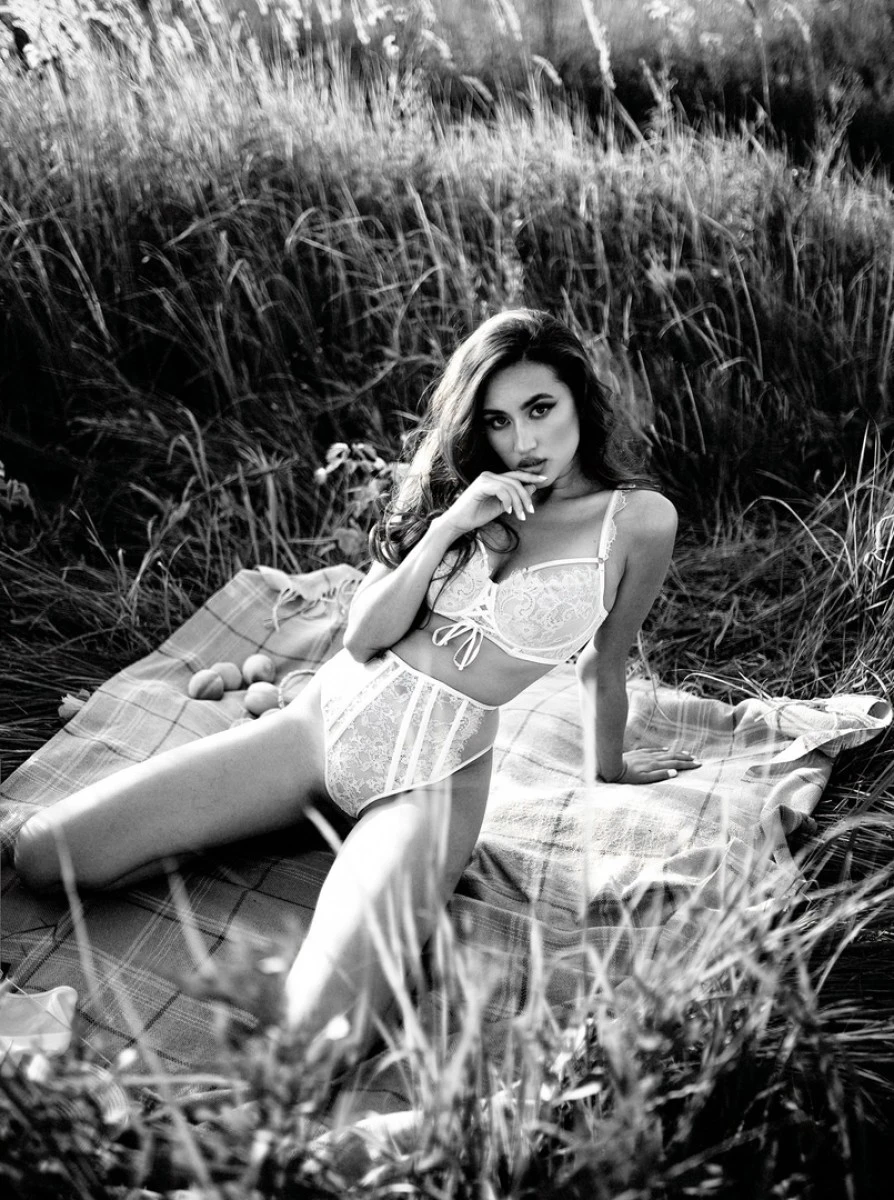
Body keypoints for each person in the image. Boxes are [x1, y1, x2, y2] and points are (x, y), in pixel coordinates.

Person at [13, 309, 699, 1050]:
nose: (523, 442)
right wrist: (449, 526)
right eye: (497, 421)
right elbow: (364, 634)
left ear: (580, 400)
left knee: (317, 1036)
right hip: (321, 725)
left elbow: (605, 657)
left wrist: (611, 766)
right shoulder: (452, 486)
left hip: (433, 780)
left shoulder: (639, 522)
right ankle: (267, 822)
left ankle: (318, 836)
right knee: (44, 855)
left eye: (541, 409)